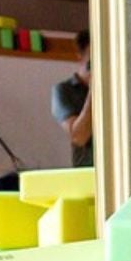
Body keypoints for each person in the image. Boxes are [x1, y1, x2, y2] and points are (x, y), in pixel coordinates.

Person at [50, 27, 93, 168]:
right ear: (81, 57)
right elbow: (79, 137)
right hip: (87, 173)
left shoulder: (118, 87)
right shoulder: (63, 90)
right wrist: (96, 91)